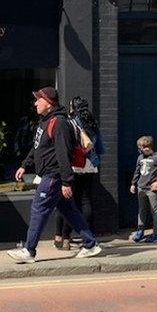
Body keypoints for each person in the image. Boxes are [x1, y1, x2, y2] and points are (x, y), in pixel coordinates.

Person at [7, 87, 102, 263]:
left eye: (39, 99)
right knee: (70, 212)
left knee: (38, 210)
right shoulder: (44, 122)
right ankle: (90, 244)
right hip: (52, 176)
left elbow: (63, 153)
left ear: (49, 103)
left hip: (53, 176)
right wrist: (24, 165)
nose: (35, 102)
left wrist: (66, 181)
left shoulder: (59, 123)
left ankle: (29, 250)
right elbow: (37, 148)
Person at [52, 96, 104, 250]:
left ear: (73, 107)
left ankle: (65, 238)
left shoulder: (70, 122)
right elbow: (100, 147)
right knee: (87, 201)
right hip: (90, 165)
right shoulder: (92, 122)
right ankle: (88, 237)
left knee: (70, 203)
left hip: (74, 165)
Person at [130, 135, 157, 244]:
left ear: (147, 147)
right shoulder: (140, 158)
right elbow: (137, 171)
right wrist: (133, 184)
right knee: (141, 210)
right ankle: (140, 231)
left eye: (141, 147)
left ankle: (156, 234)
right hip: (141, 187)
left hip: (152, 189)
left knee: (155, 210)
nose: (139, 150)